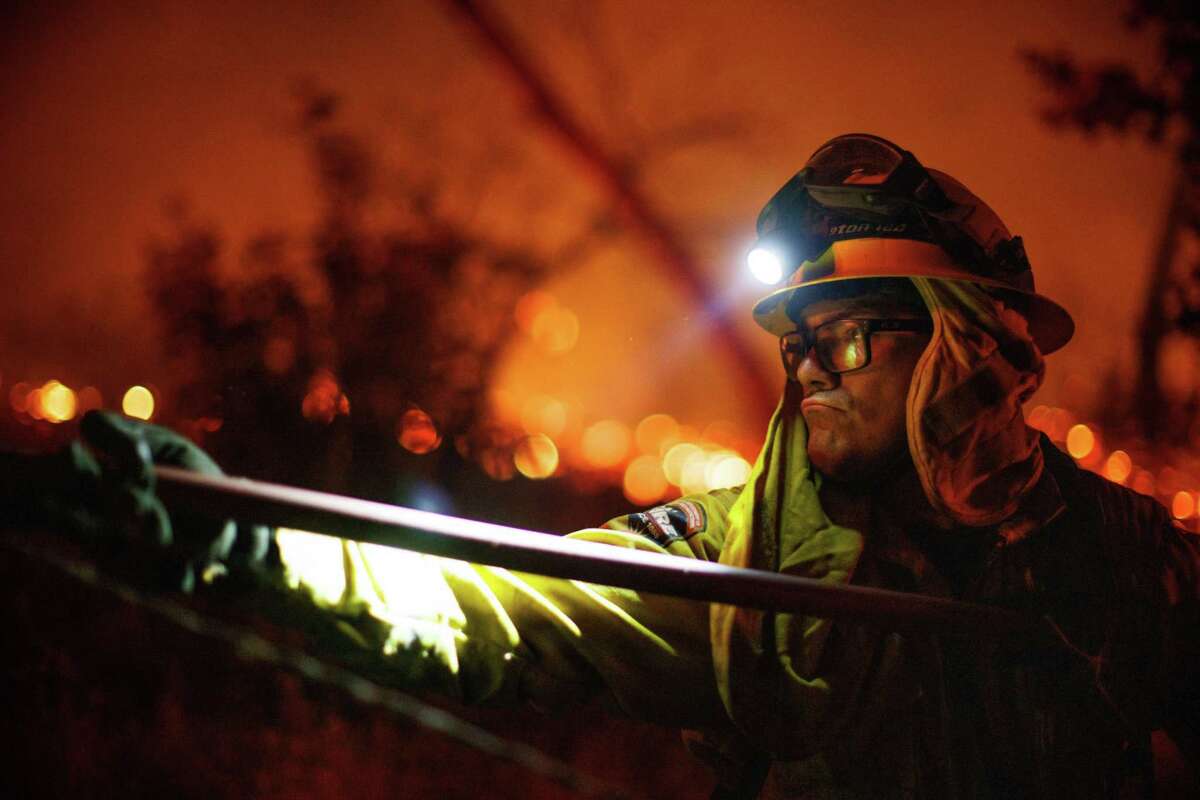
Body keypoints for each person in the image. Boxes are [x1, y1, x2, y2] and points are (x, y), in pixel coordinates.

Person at [5, 133, 1199, 798]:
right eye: (793, 343)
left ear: (964, 343)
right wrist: (251, 542)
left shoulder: (1132, 562)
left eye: (841, 334)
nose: (809, 371)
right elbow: (484, 595)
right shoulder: (734, 566)